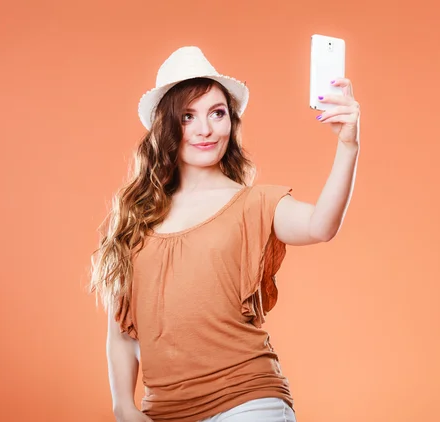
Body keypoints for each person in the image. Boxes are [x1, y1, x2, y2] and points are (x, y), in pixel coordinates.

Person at [90, 46, 360, 422]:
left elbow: (321, 225)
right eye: (188, 117)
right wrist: (124, 407)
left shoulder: (254, 204)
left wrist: (348, 145)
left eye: (217, 113)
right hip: (163, 412)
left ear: (230, 122)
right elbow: (121, 328)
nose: (205, 129)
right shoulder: (135, 218)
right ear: (166, 127)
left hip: (247, 400)